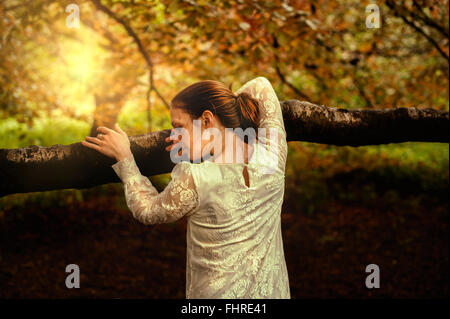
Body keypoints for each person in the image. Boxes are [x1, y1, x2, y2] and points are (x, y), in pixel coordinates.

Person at [81, 76, 290, 298]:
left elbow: (148, 211)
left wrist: (124, 157)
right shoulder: (272, 158)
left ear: (207, 120)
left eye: (179, 126)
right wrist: (230, 105)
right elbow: (261, 85)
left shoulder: (196, 177)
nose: (174, 136)